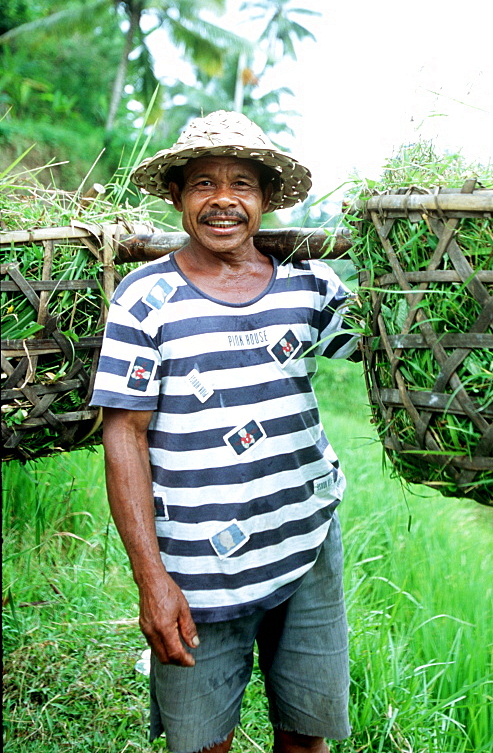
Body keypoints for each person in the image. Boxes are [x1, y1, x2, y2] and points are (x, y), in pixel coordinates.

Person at [91, 111, 359, 753]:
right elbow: (122, 434)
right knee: (204, 743)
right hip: (194, 566)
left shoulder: (309, 285)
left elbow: (391, 350)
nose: (223, 199)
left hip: (305, 540)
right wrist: (151, 580)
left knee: (308, 733)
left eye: (241, 183)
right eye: (203, 183)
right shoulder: (144, 296)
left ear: (264, 200)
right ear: (179, 198)